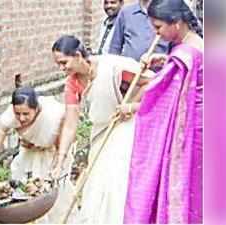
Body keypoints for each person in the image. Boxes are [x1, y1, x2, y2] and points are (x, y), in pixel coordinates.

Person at [51, 35, 153, 223]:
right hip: (100, 134)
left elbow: (150, 82)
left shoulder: (112, 68)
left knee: (117, 184)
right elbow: (71, 123)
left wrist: (131, 105)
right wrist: (61, 158)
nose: (62, 68)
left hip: (125, 130)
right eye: (58, 64)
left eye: (64, 62)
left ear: (78, 55)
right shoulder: (72, 83)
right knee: (96, 185)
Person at [122, 0, 203, 223]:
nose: (156, 34)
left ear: (176, 23)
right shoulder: (196, 43)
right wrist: (166, 60)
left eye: (158, 27)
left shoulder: (184, 55)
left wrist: (131, 107)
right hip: (202, 126)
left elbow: (163, 101)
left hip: (188, 130)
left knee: (181, 179)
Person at [0, 87, 78, 223]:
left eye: (26, 113)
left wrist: (55, 171)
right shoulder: (9, 117)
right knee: (24, 195)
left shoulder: (53, 115)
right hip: (29, 155)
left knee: (58, 203)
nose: (21, 118)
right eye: (17, 113)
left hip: (54, 154)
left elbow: (61, 147)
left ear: (36, 109)